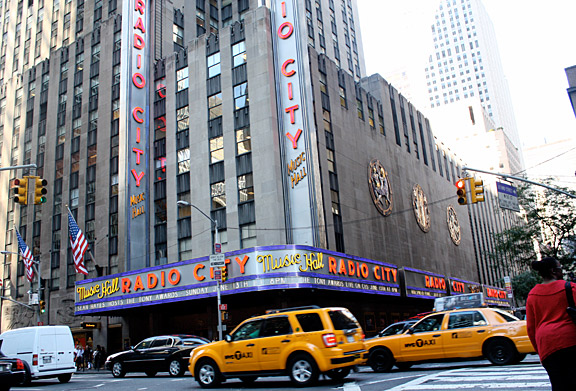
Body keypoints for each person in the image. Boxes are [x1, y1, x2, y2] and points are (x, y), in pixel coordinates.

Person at [526, 257, 576, 390]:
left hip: (547, 346)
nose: (562, 271)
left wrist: (540, 351)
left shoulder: (532, 295)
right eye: (560, 268)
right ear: (554, 271)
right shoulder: (570, 288)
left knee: (558, 384)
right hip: (571, 341)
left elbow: (531, 329)